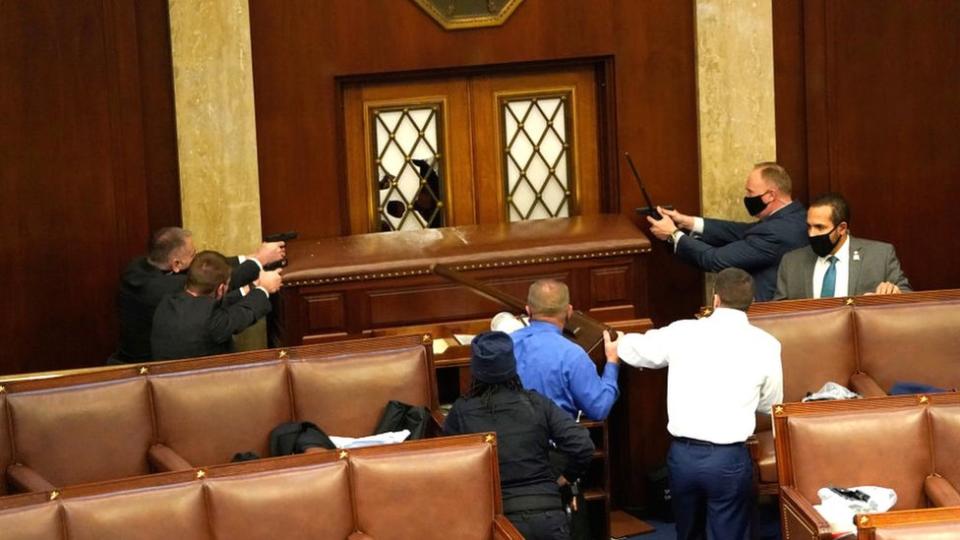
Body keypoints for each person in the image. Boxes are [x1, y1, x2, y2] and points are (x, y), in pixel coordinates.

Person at [616, 268, 783, 539]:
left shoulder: (682, 332)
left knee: (687, 533)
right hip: (729, 460)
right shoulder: (767, 345)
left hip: (683, 458)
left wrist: (618, 343)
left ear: (716, 299)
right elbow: (771, 403)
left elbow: (635, 350)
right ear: (750, 304)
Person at [443, 331, 594, 540]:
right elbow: (583, 445)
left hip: (499, 522)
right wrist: (565, 477)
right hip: (549, 516)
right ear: (512, 366)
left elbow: (448, 469)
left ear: (475, 370)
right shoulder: (537, 403)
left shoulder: (461, 411)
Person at [114, 227, 285, 363]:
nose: (196, 258)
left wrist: (250, 264)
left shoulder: (164, 296)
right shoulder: (162, 290)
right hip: (143, 366)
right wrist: (262, 279)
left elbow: (206, 273)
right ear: (176, 264)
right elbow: (239, 311)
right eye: (193, 254)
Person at [646, 162, 808, 301]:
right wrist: (688, 222)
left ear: (771, 195)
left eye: (750, 192)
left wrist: (673, 234)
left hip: (765, 315)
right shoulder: (797, 216)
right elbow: (743, 231)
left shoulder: (775, 232)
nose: (746, 197)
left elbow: (714, 259)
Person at [510, 280, 620, 422]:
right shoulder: (572, 355)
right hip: (554, 441)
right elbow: (598, 409)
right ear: (569, 311)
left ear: (528, 310)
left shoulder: (505, 345)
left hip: (507, 440)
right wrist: (612, 363)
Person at [775, 193, 911, 299]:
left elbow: (908, 297)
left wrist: (893, 292)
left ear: (841, 228)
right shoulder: (791, 262)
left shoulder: (880, 255)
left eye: (819, 227)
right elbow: (778, 311)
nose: (812, 234)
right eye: (809, 227)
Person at [150, 251, 283, 360]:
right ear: (220, 289)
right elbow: (244, 313)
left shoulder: (167, 302)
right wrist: (264, 288)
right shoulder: (211, 320)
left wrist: (250, 288)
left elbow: (210, 307)